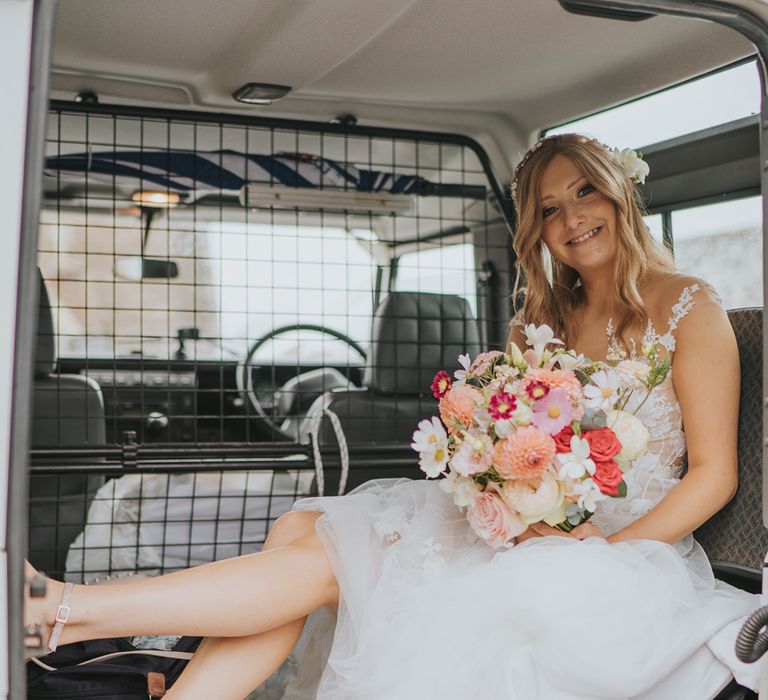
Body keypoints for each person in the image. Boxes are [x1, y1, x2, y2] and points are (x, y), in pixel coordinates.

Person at [25, 133, 761, 699]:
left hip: (628, 554)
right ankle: (70, 618)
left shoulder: (688, 306)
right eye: (547, 208)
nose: (571, 217)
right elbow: (512, 456)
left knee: (326, 558)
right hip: (535, 530)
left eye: (585, 193)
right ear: (535, 231)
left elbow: (714, 476)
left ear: (620, 197)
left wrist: (600, 547)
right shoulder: (540, 323)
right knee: (301, 530)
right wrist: (504, 496)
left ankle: (68, 611)